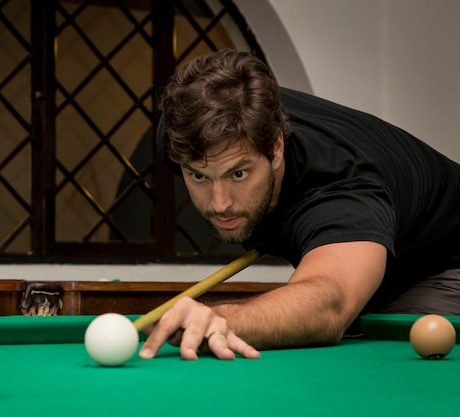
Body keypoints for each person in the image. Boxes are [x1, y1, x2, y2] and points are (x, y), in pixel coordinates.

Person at [139, 49, 460, 361]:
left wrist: (225, 319)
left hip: (446, 263)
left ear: (277, 147)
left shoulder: (342, 188)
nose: (220, 203)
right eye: (199, 177)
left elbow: (328, 305)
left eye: (238, 173)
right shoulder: (183, 134)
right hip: (384, 250)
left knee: (381, 345)